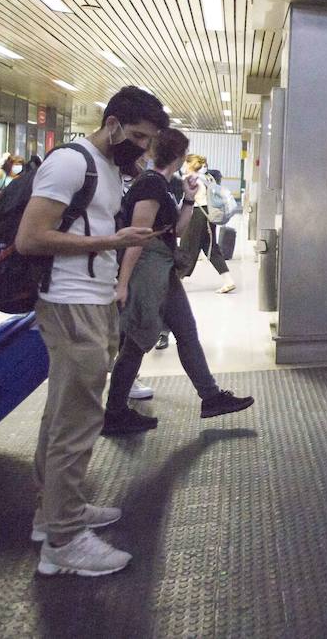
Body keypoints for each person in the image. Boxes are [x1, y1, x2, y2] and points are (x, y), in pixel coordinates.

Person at [16, 85, 165, 577]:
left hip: (94, 299)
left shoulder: (106, 169)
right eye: (138, 136)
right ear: (114, 123)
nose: (142, 148)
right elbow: (31, 238)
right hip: (70, 301)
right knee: (76, 422)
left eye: (149, 141)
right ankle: (63, 541)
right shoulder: (70, 163)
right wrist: (112, 240)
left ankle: (56, 513)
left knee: (65, 414)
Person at [103, 129, 253, 436]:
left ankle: (210, 397)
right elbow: (137, 238)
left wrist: (188, 197)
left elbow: (178, 231)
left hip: (163, 269)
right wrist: (123, 283)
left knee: (186, 330)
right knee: (137, 342)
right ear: (178, 155)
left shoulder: (165, 184)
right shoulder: (149, 185)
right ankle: (114, 412)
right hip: (147, 270)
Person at [177, 154, 235, 295]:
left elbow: (183, 197)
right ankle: (228, 280)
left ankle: (176, 280)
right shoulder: (208, 177)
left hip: (197, 214)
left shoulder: (191, 178)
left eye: (186, 163)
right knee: (209, 248)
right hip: (207, 215)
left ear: (191, 164)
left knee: (188, 247)